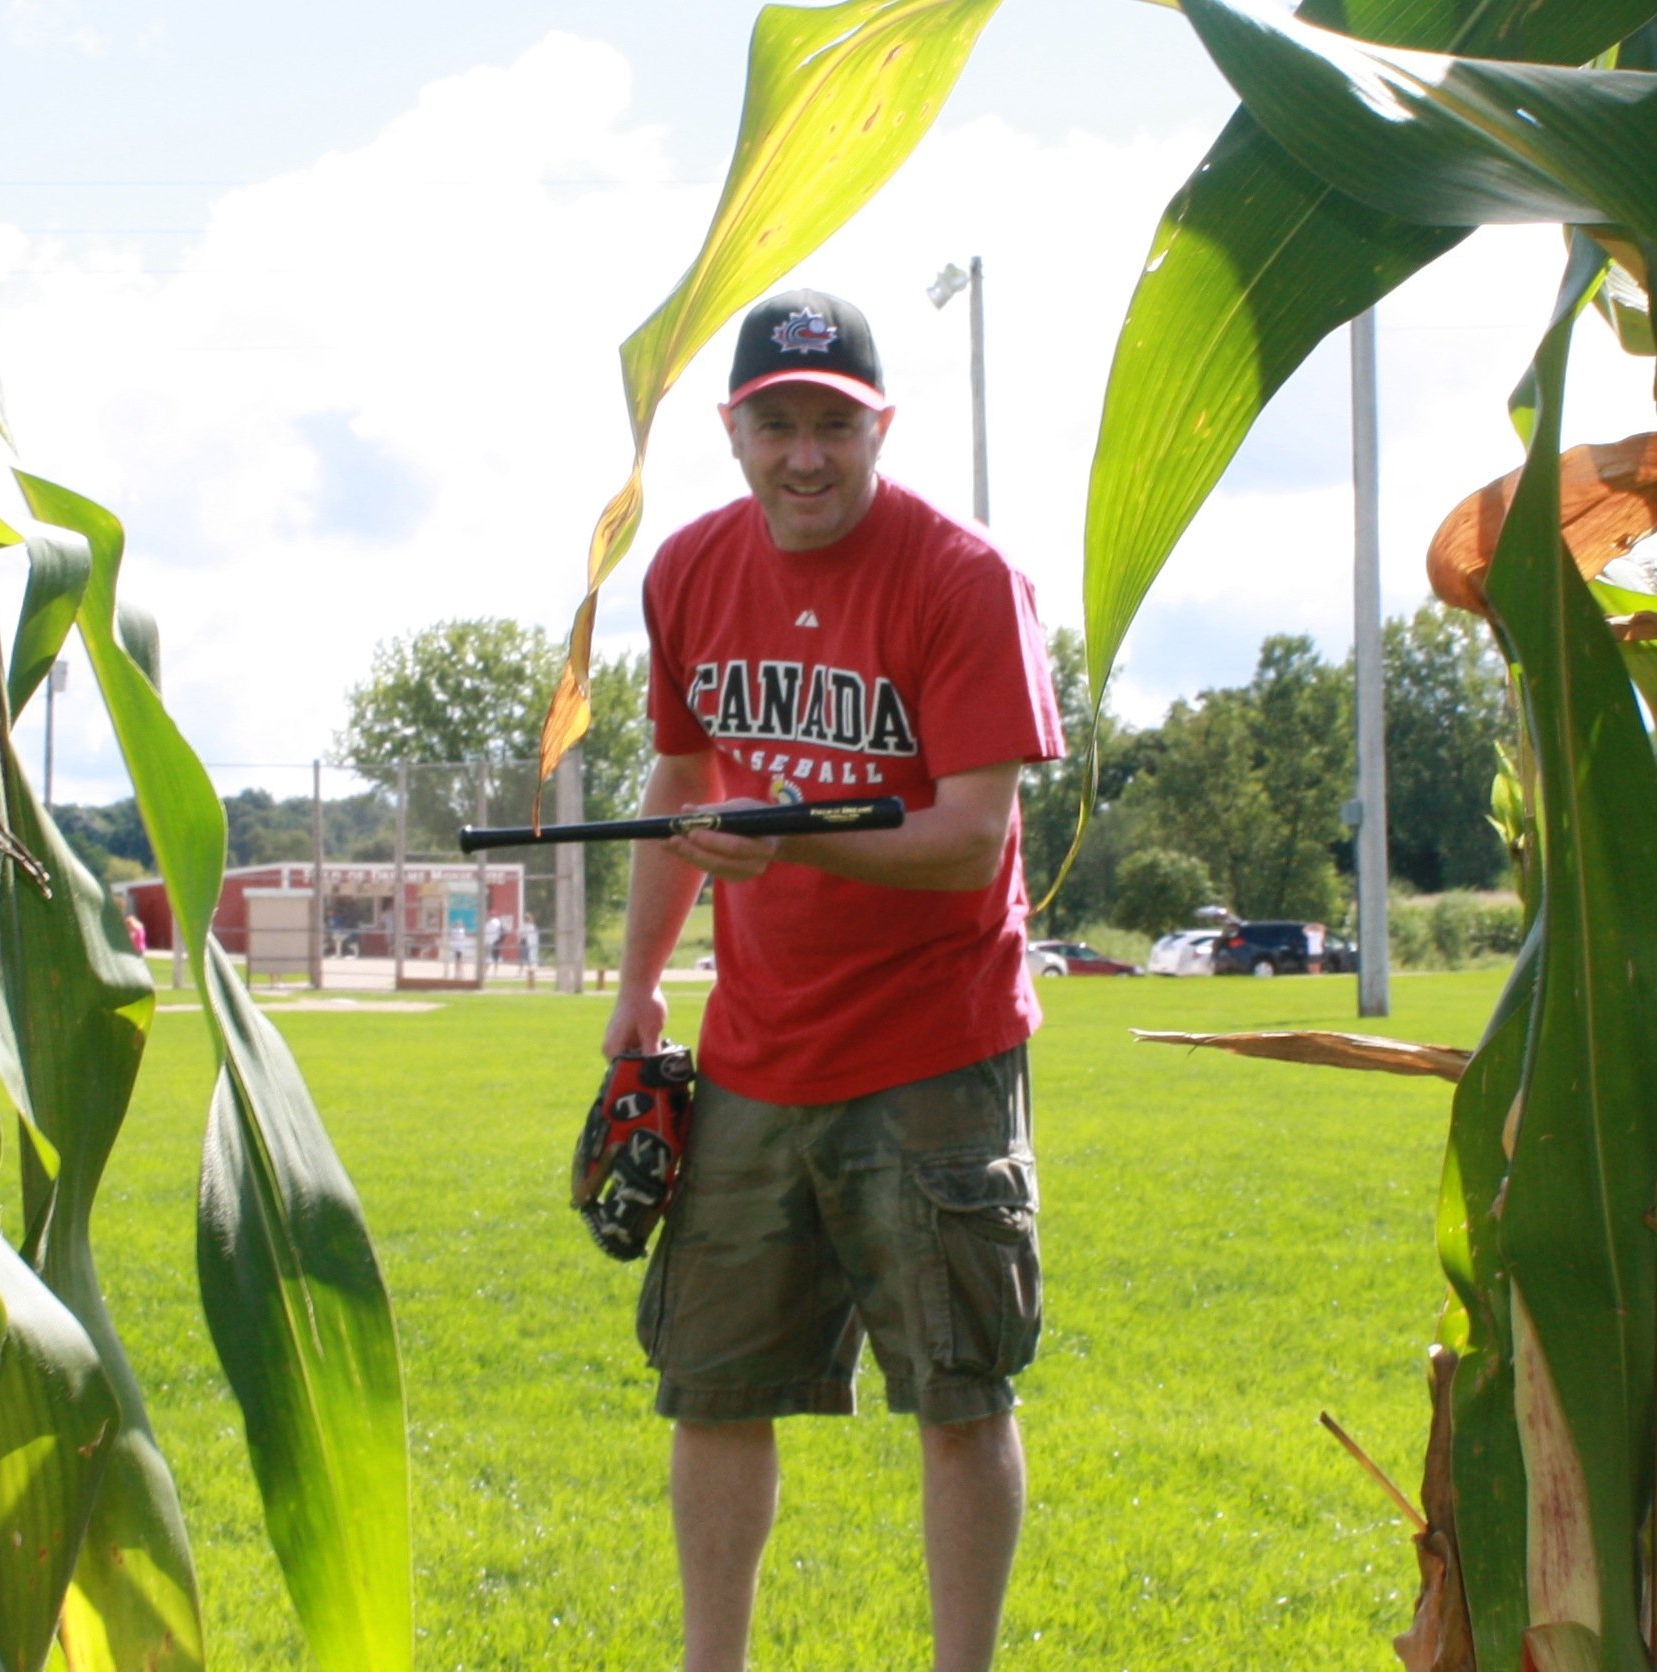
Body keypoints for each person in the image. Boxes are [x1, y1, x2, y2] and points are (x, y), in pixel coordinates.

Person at [602, 287, 1065, 1672]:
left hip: (936, 1051)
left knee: (960, 1392)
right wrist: (638, 983)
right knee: (712, 1386)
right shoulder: (688, 570)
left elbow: (971, 840)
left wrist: (784, 834)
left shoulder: (963, 579)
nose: (806, 455)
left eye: (834, 426)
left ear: (881, 428)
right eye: (779, 425)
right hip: (755, 1049)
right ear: (734, 431)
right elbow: (681, 781)